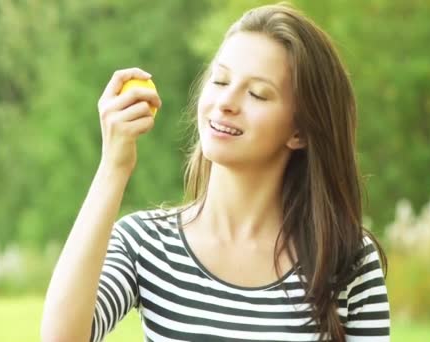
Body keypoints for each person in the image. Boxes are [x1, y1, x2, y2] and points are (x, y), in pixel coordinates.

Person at [41, 3, 390, 342]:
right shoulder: (146, 244)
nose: (226, 103)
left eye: (257, 94)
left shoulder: (348, 259)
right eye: (220, 81)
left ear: (299, 131)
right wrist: (113, 167)